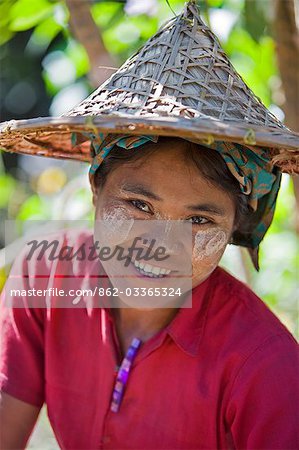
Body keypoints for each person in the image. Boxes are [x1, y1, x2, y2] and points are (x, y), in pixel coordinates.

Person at [0, 2, 298, 449]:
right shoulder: (46, 280)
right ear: (96, 187)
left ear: (236, 223)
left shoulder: (266, 367)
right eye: (139, 205)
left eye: (199, 220)